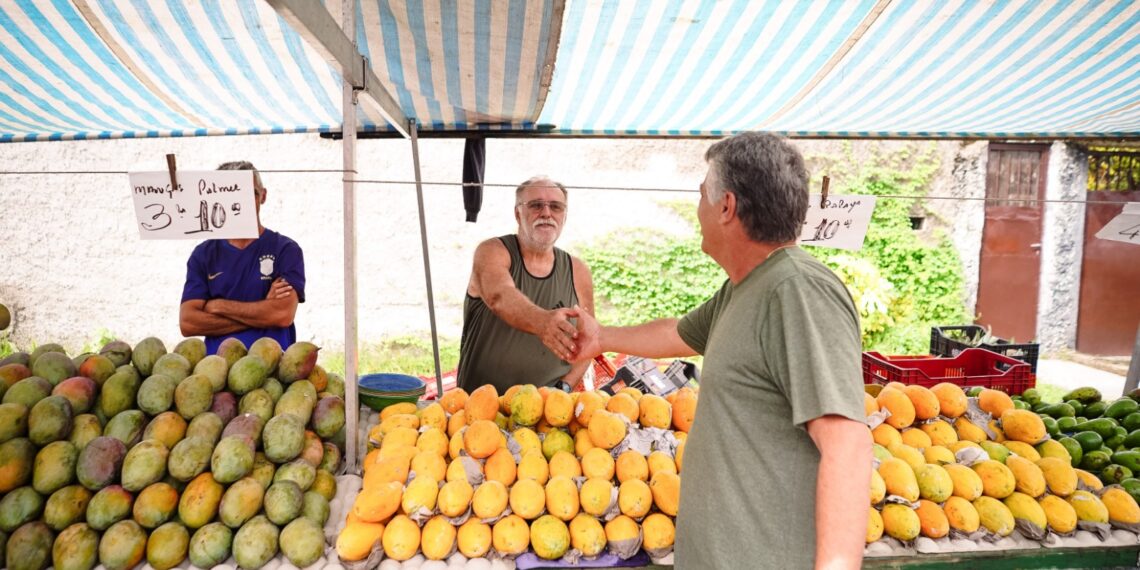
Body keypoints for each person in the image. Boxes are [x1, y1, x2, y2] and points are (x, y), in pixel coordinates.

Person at [570, 133, 870, 569]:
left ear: (726, 207)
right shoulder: (746, 288)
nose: (697, 211)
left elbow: (847, 442)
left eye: (700, 196)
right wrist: (602, 338)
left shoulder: (797, 290)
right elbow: (679, 333)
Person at [457, 176, 595, 393]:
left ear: (564, 216)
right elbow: (499, 296)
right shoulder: (492, 251)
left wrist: (564, 387)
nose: (547, 213)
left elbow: (589, 340)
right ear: (517, 213)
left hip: (546, 413)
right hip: (481, 409)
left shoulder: (577, 270)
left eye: (556, 207)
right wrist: (542, 322)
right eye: (536, 205)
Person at [179, 161, 305, 354]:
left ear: (263, 196)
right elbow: (188, 323)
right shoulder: (203, 255)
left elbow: (282, 314)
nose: (241, 203)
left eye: (250, 193)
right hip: (217, 371)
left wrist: (217, 306)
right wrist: (262, 313)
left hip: (274, 370)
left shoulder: (285, 250)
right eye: (232, 195)